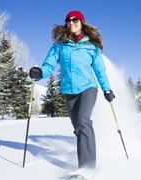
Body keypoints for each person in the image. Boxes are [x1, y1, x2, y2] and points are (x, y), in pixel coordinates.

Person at [29, 10, 115, 169]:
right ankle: (86, 149)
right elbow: (49, 65)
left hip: (88, 87)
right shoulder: (59, 46)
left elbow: (100, 70)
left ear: (82, 22)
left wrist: (107, 89)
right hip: (69, 90)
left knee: (83, 121)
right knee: (78, 127)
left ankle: (87, 168)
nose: (71, 22)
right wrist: (40, 72)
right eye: (68, 20)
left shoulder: (92, 46)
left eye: (75, 20)